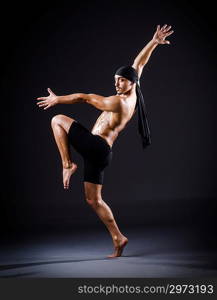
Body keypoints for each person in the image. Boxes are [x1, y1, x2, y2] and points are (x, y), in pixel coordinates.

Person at [36, 24, 174, 258]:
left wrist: (58, 98)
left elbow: (84, 98)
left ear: (130, 83)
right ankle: (119, 238)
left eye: (121, 80)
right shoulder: (132, 91)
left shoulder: (119, 103)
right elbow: (139, 64)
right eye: (115, 79)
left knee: (57, 119)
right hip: (102, 153)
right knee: (93, 199)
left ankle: (67, 164)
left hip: (96, 145)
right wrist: (153, 42)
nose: (117, 83)